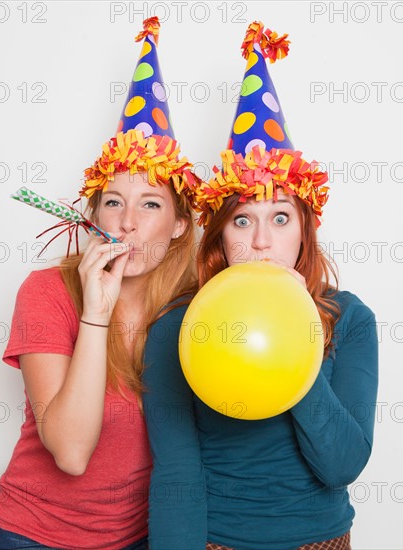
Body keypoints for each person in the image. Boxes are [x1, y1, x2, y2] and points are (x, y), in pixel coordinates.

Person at [142, 22, 379, 550]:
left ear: (304, 231)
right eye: (243, 221)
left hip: (320, 540)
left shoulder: (351, 318)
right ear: (221, 238)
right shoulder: (179, 327)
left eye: (280, 218)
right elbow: (177, 476)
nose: (262, 241)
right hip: (216, 542)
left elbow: (341, 466)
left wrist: (295, 338)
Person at [0, 18, 201, 550]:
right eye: (114, 202)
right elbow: (71, 452)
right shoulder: (45, 292)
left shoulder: (192, 307)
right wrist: (96, 312)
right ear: (94, 215)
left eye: (150, 204)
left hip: (141, 538)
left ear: (179, 226)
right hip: (35, 537)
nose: (128, 222)